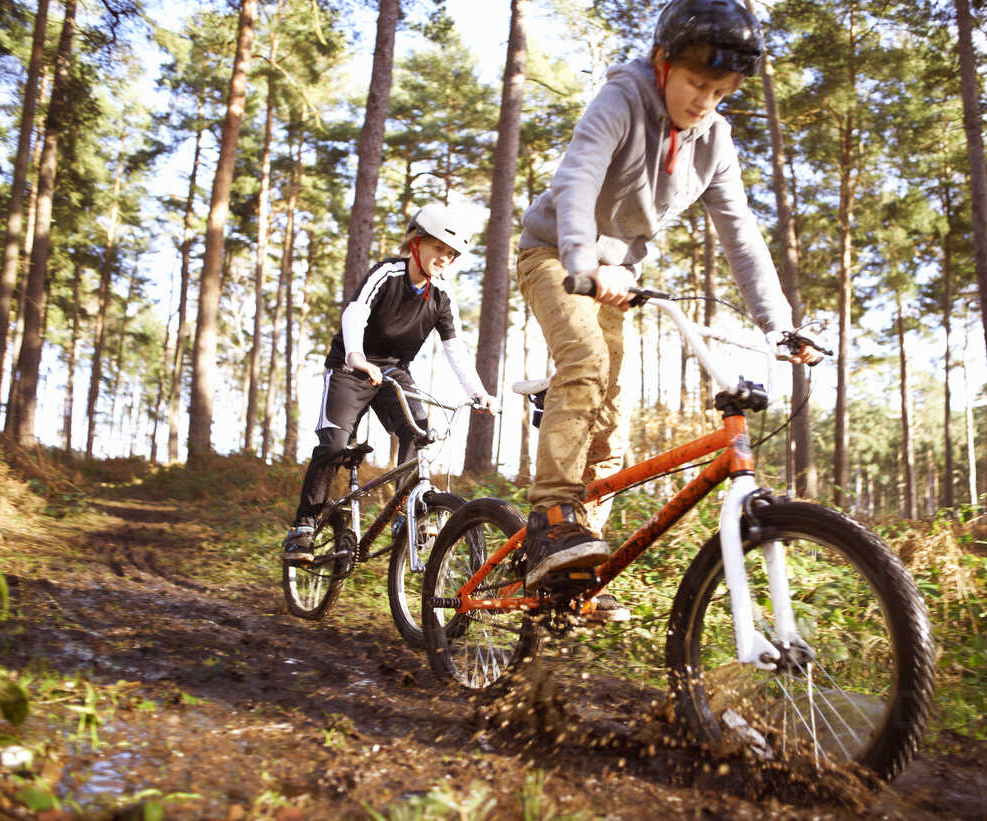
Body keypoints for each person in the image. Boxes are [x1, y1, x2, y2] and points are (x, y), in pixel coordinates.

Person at [516, 0, 823, 592]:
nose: (703, 101)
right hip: (557, 254)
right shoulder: (622, 99)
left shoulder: (715, 140)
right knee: (584, 363)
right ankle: (551, 519)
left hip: (616, 277)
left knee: (612, 418)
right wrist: (584, 261)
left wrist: (777, 323)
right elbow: (577, 177)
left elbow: (740, 232)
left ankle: (578, 568)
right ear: (663, 62)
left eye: (720, 91)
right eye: (696, 83)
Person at [283, 202, 496, 558]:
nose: (443, 258)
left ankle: (403, 513)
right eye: (438, 248)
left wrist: (479, 392)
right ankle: (304, 526)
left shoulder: (442, 296)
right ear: (416, 242)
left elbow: (454, 348)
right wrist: (356, 357)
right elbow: (355, 313)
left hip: (393, 371)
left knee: (419, 432)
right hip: (350, 367)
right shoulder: (387, 274)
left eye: (451, 254)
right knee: (334, 445)